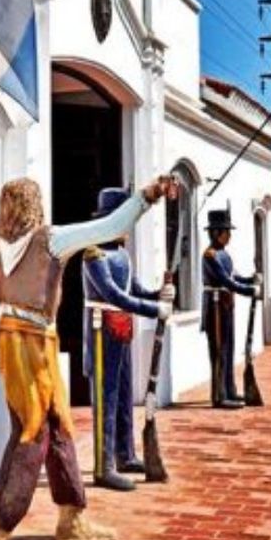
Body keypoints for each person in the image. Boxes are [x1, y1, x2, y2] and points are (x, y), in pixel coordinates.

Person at [0, 175, 177, 540]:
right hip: (25, 343)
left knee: (60, 425)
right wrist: (148, 195)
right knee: (32, 431)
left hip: (27, 340)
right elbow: (111, 227)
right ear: (36, 205)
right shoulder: (51, 239)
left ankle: (72, 515)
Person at [81, 188, 175, 491]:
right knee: (105, 397)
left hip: (122, 329)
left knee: (123, 394)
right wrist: (153, 309)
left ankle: (125, 454)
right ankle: (103, 464)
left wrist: (158, 293)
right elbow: (114, 295)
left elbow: (134, 290)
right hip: (101, 329)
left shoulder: (122, 254)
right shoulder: (93, 254)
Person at [201, 208, 261, 408]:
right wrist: (248, 290)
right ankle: (219, 394)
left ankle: (230, 389)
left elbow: (235, 277)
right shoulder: (210, 255)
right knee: (218, 350)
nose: (229, 235)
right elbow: (227, 281)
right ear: (217, 233)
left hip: (226, 304)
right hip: (215, 306)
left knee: (229, 348)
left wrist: (251, 280)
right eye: (226, 231)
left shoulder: (224, 255)